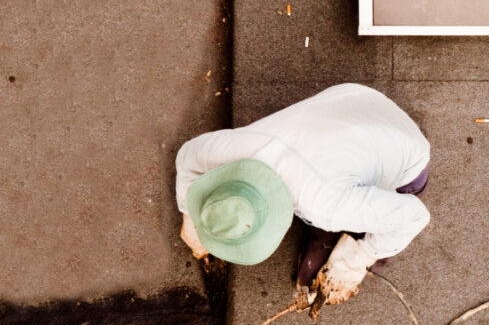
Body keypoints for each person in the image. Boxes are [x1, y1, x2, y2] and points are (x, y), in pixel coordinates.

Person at [175, 83, 430, 307]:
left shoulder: (324, 206)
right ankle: (344, 225)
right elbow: (188, 156)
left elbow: (414, 216)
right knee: (317, 257)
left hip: (406, 156)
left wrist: (360, 258)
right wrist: (189, 213)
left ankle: (363, 238)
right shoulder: (233, 148)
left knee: (377, 227)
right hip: (355, 100)